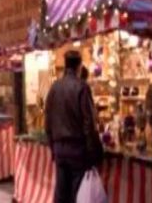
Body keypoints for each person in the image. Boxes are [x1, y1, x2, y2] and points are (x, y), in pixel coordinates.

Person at [44, 50, 103, 203]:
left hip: (59, 149)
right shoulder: (81, 87)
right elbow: (89, 123)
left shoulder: (54, 88)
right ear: (79, 66)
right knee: (77, 194)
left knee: (62, 194)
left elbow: (47, 121)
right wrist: (93, 152)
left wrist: (52, 147)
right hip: (77, 149)